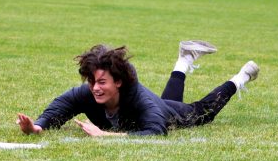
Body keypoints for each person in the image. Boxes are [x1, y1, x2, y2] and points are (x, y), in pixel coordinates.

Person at [16, 41, 259, 136]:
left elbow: (155, 132)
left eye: (102, 82)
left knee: (202, 113)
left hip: (164, 112)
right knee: (166, 102)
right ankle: (184, 60)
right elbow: (61, 106)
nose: (95, 88)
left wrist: (106, 136)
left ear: (118, 82)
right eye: (92, 82)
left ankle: (241, 78)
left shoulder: (141, 101)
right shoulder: (89, 92)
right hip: (160, 106)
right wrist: (37, 126)